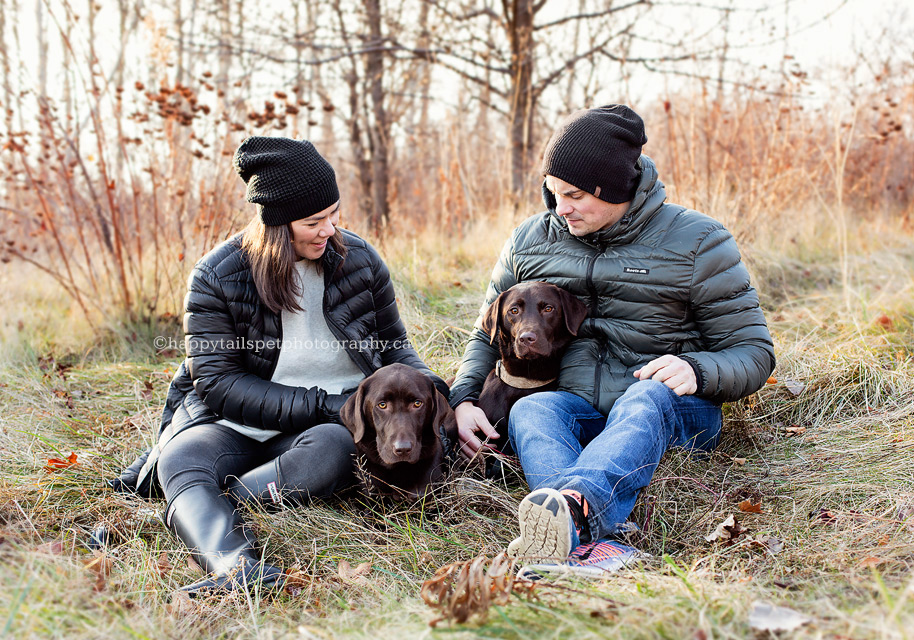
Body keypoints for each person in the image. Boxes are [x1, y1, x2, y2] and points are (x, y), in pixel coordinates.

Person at [110, 136, 447, 593]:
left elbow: (395, 349)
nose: (329, 230)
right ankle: (234, 567)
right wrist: (328, 404)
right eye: (313, 221)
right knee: (180, 457)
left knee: (334, 450)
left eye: (333, 214)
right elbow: (218, 385)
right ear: (274, 224)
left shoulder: (361, 261)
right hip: (234, 423)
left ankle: (207, 505)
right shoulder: (217, 275)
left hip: (329, 429)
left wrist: (438, 389)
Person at [449, 105, 775, 564]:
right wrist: (463, 398)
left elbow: (755, 352)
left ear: (617, 188)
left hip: (671, 413)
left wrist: (696, 368)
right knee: (535, 408)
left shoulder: (699, 241)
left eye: (576, 195)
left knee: (645, 397)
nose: (561, 209)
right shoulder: (529, 240)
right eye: (554, 193)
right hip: (578, 407)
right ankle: (589, 542)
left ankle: (577, 521)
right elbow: (487, 333)